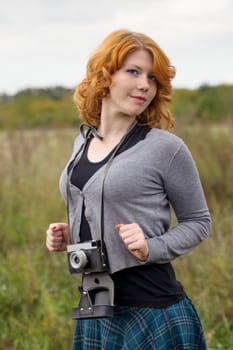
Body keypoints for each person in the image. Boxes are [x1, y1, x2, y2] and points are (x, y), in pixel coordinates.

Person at [46, 29, 211, 350]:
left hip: (153, 311)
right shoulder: (83, 142)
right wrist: (70, 234)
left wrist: (152, 246)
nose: (144, 85)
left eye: (152, 78)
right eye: (133, 72)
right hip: (97, 309)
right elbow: (99, 203)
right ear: (104, 75)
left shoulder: (165, 148)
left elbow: (199, 221)